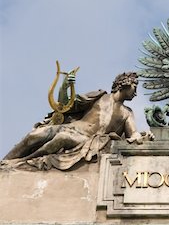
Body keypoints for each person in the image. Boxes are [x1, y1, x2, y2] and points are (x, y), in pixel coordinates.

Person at [2, 72, 152, 170]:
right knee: (36, 134)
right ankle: (6, 162)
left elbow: (134, 135)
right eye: (134, 86)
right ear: (124, 83)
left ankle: (22, 163)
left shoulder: (127, 113)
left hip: (85, 139)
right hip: (72, 127)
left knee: (62, 138)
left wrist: (144, 137)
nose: (136, 92)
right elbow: (67, 104)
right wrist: (64, 87)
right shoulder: (99, 96)